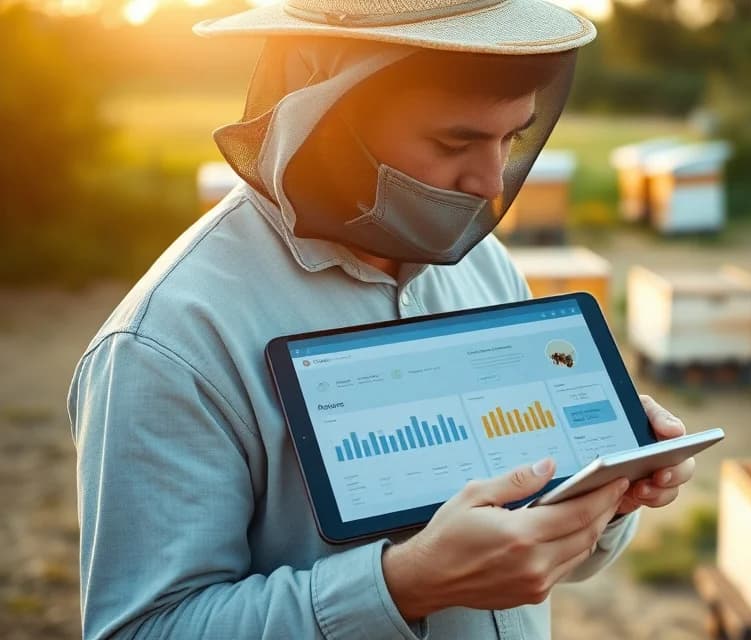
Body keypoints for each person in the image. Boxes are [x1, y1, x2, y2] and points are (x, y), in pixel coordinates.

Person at [66, 1, 697, 638]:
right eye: (455, 142)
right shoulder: (168, 342)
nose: (491, 183)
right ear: (325, 114)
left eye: (511, 139)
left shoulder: (484, 265)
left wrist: (607, 488)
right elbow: (142, 628)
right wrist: (405, 586)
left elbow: (543, 550)